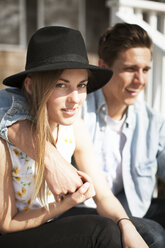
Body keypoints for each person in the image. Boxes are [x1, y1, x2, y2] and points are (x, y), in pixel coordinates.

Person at [0, 25, 164, 248]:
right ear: (30, 85)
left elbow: (104, 196)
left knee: (144, 233)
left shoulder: (74, 127)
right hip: (15, 234)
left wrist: (126, 225)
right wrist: (69, 202)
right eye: (61, 85)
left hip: (54, 221)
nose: (75, 99)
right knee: (104, 231)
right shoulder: (9, 139)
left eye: (82, 85)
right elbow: (7, 224)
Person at [81, 22, 165, 229]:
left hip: (131, 209)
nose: (140, 80)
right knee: (155, 235)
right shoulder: (77, 110)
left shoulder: (152, 121)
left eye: (145, 69)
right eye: (130, 69)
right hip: (82, 213)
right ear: (103, 67)